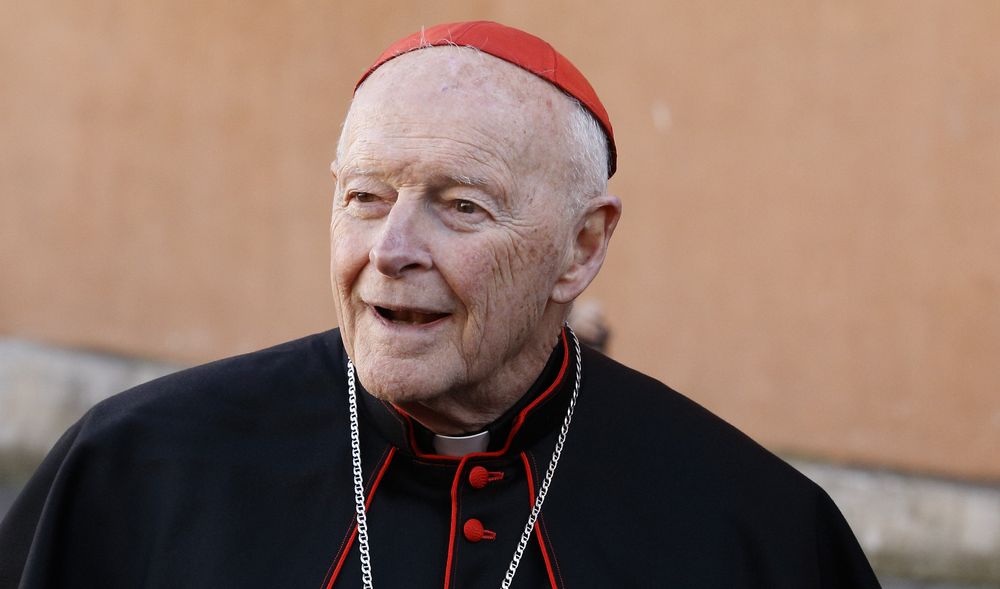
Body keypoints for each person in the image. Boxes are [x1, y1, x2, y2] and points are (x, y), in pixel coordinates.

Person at [0, 21, 881, 588]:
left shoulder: (754, 532)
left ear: (582, 248)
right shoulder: (135, 466)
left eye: (461, 205)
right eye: (365, 198)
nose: (392, 251)